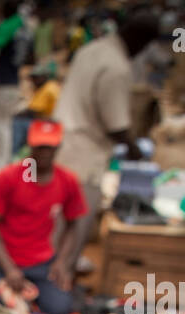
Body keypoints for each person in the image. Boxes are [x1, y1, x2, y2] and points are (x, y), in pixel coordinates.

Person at [53, 9, 160, 256]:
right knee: (75, 222)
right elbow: (117, 126)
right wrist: (135, 151)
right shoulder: (117, 68)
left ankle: (56, 271)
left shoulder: (92, 49)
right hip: (83, 154)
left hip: (63, 141)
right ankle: (62, 275)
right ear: (140, 40)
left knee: (56, 217)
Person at [0, 120, 90, 314]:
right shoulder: (10, 177)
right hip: (4, 262)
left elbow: (73, 224)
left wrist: (62, 263)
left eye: (49, 148)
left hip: (42, 263)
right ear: (30, 147)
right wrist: (9, 268)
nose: (44, 153)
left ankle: (28, 300)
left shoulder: (67, 181)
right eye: (40, 148)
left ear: (57, 148)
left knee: (61, 308)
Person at [0, 0, 32, 168]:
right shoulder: (23, 28)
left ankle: (0, 166)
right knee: (5, 124)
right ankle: (3, 163)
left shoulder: (8, 26)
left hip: (4, 84)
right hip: (14, 83)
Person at [11, 62, 61, 159]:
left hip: (49, 123)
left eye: (36, 78)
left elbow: (33, 111)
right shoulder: (48, 87)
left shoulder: (48, 88)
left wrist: (17, 114)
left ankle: (14, 154)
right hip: (47, 121)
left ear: (43, 77)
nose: (33, 80)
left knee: (18, 123)